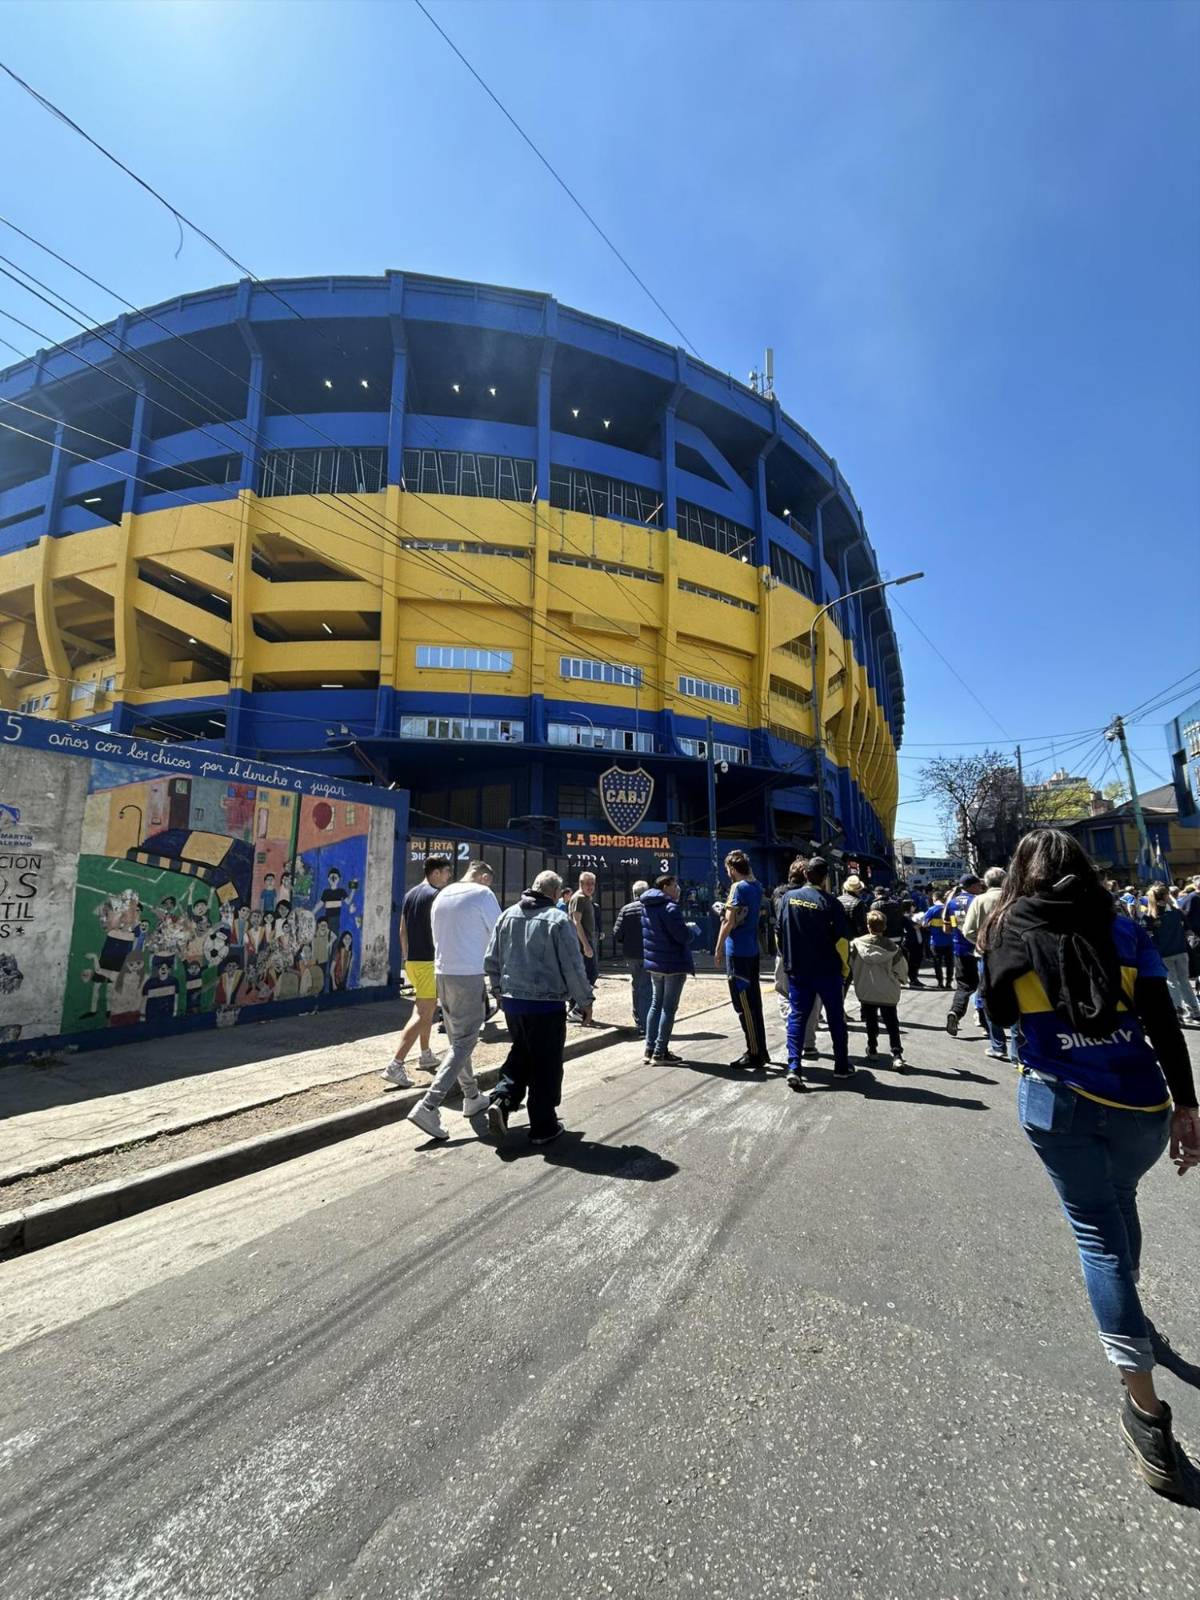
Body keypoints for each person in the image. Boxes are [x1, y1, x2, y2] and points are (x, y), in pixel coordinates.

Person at [979, 829, 1200, 1499]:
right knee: (1120, 1203)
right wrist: (1189, 1109)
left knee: (1097, 1233)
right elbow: (1163, 1023)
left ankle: (1146, 1410)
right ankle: (1131, 1314)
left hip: (1059, 1103)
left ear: (1023, 872)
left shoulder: (1006, 926)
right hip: (1142, 1106)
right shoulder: (1126, 928)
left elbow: (998, 1012)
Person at [483, 870, 593, 1146]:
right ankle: (543, 1126)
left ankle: (502, 1099)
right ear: (555, 894)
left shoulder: (506, 915)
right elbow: (572, 965)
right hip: (546, 1005)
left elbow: (491, 959)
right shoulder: (557, 919)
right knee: (546, 1063)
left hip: (513, 1004)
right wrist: (585, 1000)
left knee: (521, 1053)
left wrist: (498, 991)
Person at [407, 860, 500, 1142]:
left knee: (458, 1040)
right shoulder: (483, 894)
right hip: (469, 973)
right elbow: (500, 934)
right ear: (484, 877)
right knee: (465, 1042)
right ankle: (429, 1104)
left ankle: (471, 1096)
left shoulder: (442, 894)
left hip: (442, 973)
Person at [778, 857, 852, 1091]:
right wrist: (845, 967)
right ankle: (841, 1065)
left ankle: (794, 1067)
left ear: (806, 875)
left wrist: (788, 958)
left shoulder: (787, 899)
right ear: (825, 877)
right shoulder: (831, 903)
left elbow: (778, 934)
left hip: (798, 970)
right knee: (835, 1017)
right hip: (827, 971)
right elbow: (842, 942)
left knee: (797, 1017)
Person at [382, 855, 453, 1087]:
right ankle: (395, 1064)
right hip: (428, 962)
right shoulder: (436, 896)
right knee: (423, 1013)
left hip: (413, 961)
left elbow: (402, 928)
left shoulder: (410, 894)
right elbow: (443, 930)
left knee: (427, 1008)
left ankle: (425, 1054)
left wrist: (406, 956)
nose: (448, 877)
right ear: (435, 873)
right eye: (446, 872)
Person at [713, 850, 768, 1069]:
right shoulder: (756, 886)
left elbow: (728, 921)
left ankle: (754, 1052)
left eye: (728, 870)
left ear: (733, 870)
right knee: (754, 1003)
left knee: (743, 1005)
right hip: (751, 951)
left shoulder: (738, 888)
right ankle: (760, 1048)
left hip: (737, 953)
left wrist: (717, 949)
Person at [640, 872, 694, 1064]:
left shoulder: (647, 907)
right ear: (665, 887)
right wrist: (691, 931)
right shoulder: (671, 908)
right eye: (674, 885)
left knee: (655, 1005)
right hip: (673, 964)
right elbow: (682, 937)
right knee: (668, 1008)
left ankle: (649, 1048)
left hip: (655, 963)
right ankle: (660, 1052)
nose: (678, 888)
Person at [962, 867, 1015, 1060]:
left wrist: (983, 942)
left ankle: (998, 1045)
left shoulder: (980, 900)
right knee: (1017, 996)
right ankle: (1018, 1050)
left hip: (987, 955)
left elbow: (967, 931)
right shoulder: (1015, 897)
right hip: (1015, 955)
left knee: (990, 998)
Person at [850, 908, 910, 1070]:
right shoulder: (893, 948)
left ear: (868, 926)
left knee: (870, 1020)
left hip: (866, 990)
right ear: (884, 927)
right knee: (892, 1022)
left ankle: (873, 1048)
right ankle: (896, 1054)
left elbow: (849, 965)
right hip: (888, 991)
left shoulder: (856, 945)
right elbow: (902, 971)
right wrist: (901, 980)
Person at [1143, 882, 1200, 1025]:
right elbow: (1188, 931)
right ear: (1166, 895)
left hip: (1163, 953)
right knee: (1184, 982)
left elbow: (1147, 937)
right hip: (1181, 950)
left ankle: (1178, 1012)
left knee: (1172, 983)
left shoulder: (1149, 916)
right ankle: (1194, 1011)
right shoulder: (1176, 912)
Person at [944, 872, 985, 1036]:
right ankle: (984, 1021)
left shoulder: (952, 903)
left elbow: (947, 928)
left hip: (959, 948)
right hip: (977, 947)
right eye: (979, 885)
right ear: (973, 886)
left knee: (964, 985)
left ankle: (956, 1011)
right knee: (983, 985)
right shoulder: (977, 901)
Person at [612, 879, 651, 1035]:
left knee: (636, 985)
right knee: (648, 987)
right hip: (648, 953)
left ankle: (639, 1020)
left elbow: (617, 933)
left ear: (634, 893)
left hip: (631, 954)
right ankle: (648, 1021)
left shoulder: (625, 909)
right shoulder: (651, 909)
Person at [568, 871, 599, 1010]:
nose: (590, 887)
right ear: (581, 884)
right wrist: (586, 946)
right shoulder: (579, 898)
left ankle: (578, 1008)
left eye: (592, 884)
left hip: (587, 941)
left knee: (589, 974)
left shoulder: (586, 898)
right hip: (581, 942)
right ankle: (576, 1008)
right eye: (587, 884)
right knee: (588, 975)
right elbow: (576, 922)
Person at [921, 891, 955, 990]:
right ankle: (949, 983)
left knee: (937, 963)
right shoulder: (949, 909)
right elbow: (953, 924)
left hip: (936, 942)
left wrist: (932, 923)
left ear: (934, 899)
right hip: (949, 941)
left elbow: (924, 924)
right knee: (949, 963)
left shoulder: (931, 910)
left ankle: (940, 983)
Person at [838, 875, 870, 939]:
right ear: (857, 890)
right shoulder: (858, 903)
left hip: (840, 938)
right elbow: (861, 927)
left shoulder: (837, 900)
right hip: (854, 939)